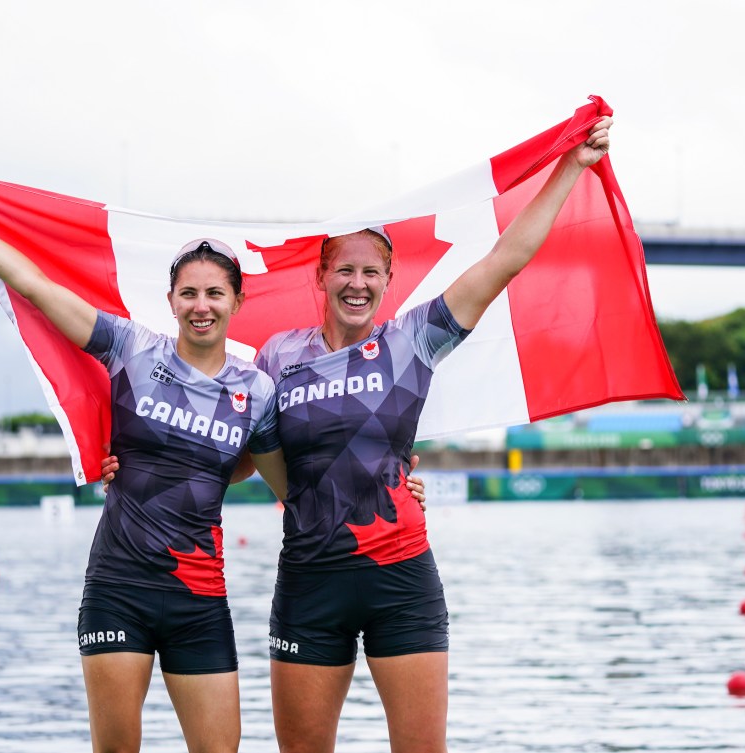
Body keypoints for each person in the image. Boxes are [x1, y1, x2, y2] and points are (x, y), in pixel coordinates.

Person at [254, 117, 613, 753]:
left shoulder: (413, 339)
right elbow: (236, 444)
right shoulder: (279, 356)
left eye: (371, 273)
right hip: (309, 578)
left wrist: (571, 167)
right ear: (321, 276)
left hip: (400, 575)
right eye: (344, 270)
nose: (357, 284)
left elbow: (505, 259)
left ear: (389, 282)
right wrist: (144, 462)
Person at [0, 172, 288, 753]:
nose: (201, 306)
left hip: (199, 598)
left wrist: (393, 477)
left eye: (215, 293)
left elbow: (266, 474)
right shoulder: (131, 349)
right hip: (118, 587)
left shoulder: (257, 392)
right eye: (188, 293)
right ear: (170, 302)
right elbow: (33, 284)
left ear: (237, 300)